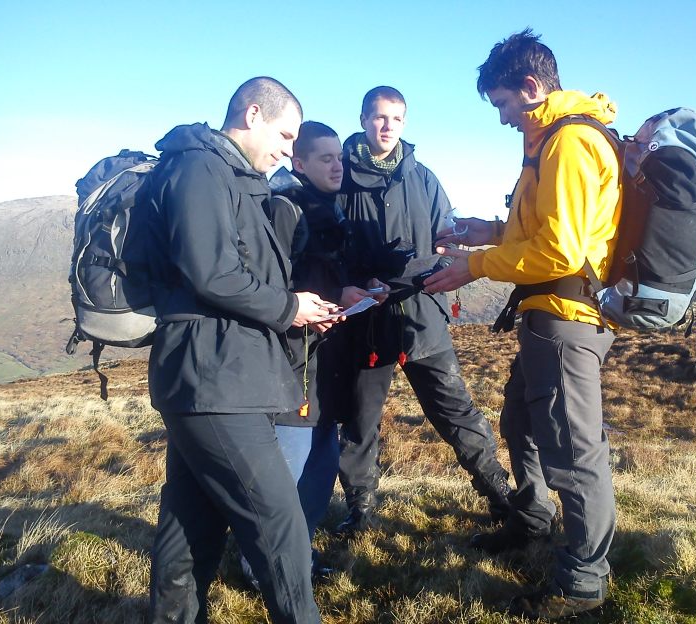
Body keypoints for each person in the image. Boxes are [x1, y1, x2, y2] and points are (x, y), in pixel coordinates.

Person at [424, 30, 622, 620]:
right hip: (547, 318)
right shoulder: (552, 139)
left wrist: (474, 266)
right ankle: (532, 518)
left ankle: (582, 585)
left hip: (566, 320)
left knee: (573, 452)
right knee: (521, 421)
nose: (503, 117)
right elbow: (545, 230)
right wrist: (487, 231)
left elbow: (560, 252)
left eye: (504, 103)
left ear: (531, 87)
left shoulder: (569, 143)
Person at [145, 77, 339, 624]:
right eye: (285, 135)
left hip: (221, 372)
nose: (288, 150)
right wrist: (289, 307)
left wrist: (298, 306)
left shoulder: (231, 176)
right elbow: (212, 272)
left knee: (192, 523)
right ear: (253, 115)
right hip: (210, 375)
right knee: (280, 525)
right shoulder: (198, 169)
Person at [334, 85, 512, 536]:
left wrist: (425, 269)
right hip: (364, 321)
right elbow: (328, 250)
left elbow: (445, 241)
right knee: (359, 421)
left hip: (421, 313)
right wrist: (355, 283)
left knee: (456, 410)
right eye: (379, 117)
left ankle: (499, 494)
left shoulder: (424, 178)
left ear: (405, 122)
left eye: (395, 118)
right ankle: (360, 511)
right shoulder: (340, 176)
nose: (387, 126)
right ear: (363, 119)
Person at [241, 121, 389, 587]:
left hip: (325, 364)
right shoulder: (285, 208)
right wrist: (335, 293)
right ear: (299, 163)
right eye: (325, 158)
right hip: (294, 366)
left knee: (320, 468)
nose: (337, 166)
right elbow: (271, 286)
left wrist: (362, 286)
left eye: (339, 157)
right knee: (290, 471)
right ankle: (262, 568)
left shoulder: (329, 210)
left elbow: (326, 273)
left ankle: (296, 556)